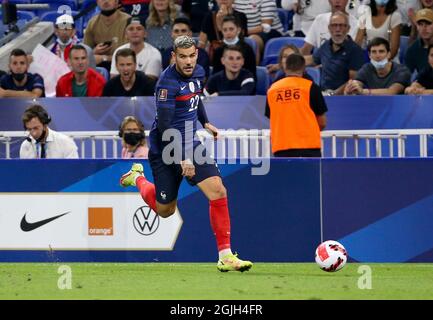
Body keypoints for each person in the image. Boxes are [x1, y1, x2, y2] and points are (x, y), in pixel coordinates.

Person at [119, 35, 253, 272]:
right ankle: (137, 178)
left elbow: (195, 97)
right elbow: (166, 127)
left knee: (218, 190)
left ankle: (225, 255)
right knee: (165, 210)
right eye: (183, 57)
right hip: (165, 149)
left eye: (192, 55)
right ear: (174, 57)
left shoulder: (199, 72)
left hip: (190, 141)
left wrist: (205, 122)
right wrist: (182, 158)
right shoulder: (166, 84)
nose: (189, 61)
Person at [265, 53, 328, 157]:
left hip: (281, 148)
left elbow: (272, 117)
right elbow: (322, 122)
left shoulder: (272, 90)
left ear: (285, 67)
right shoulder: (311, 87)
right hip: (309, 147)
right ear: (303, 68)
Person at [307, 11, 365, 94]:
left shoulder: (355, 50)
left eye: (341, 25)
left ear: (348, 29)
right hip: (323, 94)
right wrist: (288, 60)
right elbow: (312, 60)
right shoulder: (326, 45)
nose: (338, 29)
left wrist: (334, 94)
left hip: (343, 96)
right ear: (329, 28)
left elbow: (353, 81)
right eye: (334, 25)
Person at [344, 37, 412, 94]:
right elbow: (357, 83)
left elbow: (391, 92)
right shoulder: (366, 68)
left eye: (381, 51)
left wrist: (363, 91)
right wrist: (351, 87)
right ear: (369, 55)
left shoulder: (402, 71)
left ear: (389, 54)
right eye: (374, 52)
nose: (377, 56)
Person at [83, 0, 131, 69]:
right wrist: (94, 52)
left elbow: (130, 55)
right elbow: (84, 54)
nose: (105, 1)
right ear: (97, 2)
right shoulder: (92, 22)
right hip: (98, 67)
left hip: (123, 67)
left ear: (116, 1)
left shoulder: (128, 21)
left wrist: (104, 58)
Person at [405, 8, 433, 73]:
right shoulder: (413, 50)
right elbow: (406, 75)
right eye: (420, 24)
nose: (424, 28)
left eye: (428, 23)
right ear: (417, 27)